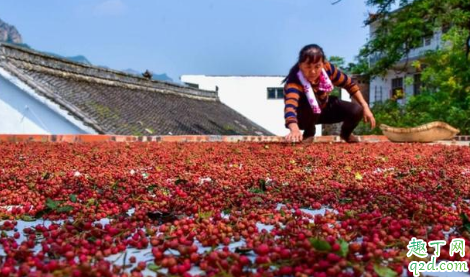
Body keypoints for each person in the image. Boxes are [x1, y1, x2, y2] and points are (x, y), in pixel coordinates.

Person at [283, 44, 375, 143]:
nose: (313, 71)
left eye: (317, 66)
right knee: (312, 101)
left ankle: (346, 134)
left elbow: (349, 84)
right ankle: (309, 132)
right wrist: (295, 130)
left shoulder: (328, 69)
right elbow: (290, 107)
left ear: (323, 64)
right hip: (304, 116)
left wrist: (365, 106)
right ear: (300, 65)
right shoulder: (294, 82)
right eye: (308, 67)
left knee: (357, 110)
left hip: (324, 108)